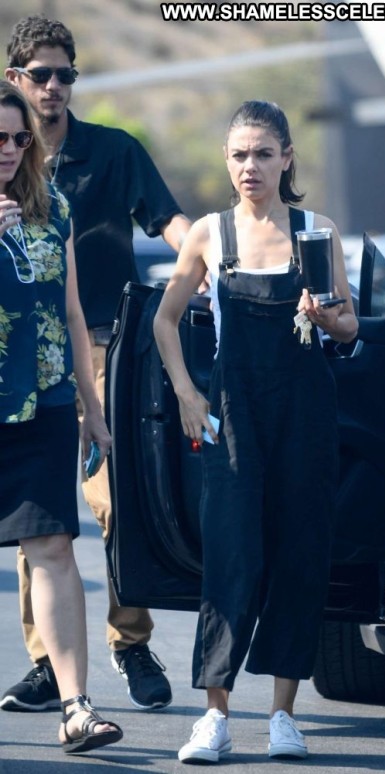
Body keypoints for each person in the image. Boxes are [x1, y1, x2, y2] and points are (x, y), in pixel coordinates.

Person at [153, 100, 359, 763]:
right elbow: (163, 320)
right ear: (226, 160)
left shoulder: (316, 231)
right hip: (233, 416)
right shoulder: (209, 234)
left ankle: (283, 717)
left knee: (300, 555)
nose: (252, 166)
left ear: (287, 158)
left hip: (305, 416)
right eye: (240, 154)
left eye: (264, 154)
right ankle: (214, 716)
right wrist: (188, 394)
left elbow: (349, 328)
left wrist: (324, 317)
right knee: (231, 555)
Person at [0, 14, 191, 714]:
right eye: (41, 75)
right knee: (40, 521)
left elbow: (169, 222)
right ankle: (48, 665)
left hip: (108, 353)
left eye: (66, 75)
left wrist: (210, 261)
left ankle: (129, 641)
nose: (54, 87)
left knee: (114, 503)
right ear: (16, 79)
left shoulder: (112, 152)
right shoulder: (11, 163)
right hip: (23, 360)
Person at [0, 79, 123, 754]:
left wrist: (91, 408)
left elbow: (72, 313)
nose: (11, 148)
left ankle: (76, 707)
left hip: (43, 402)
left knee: (52, 548)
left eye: (21, 137)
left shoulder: (53, 207)